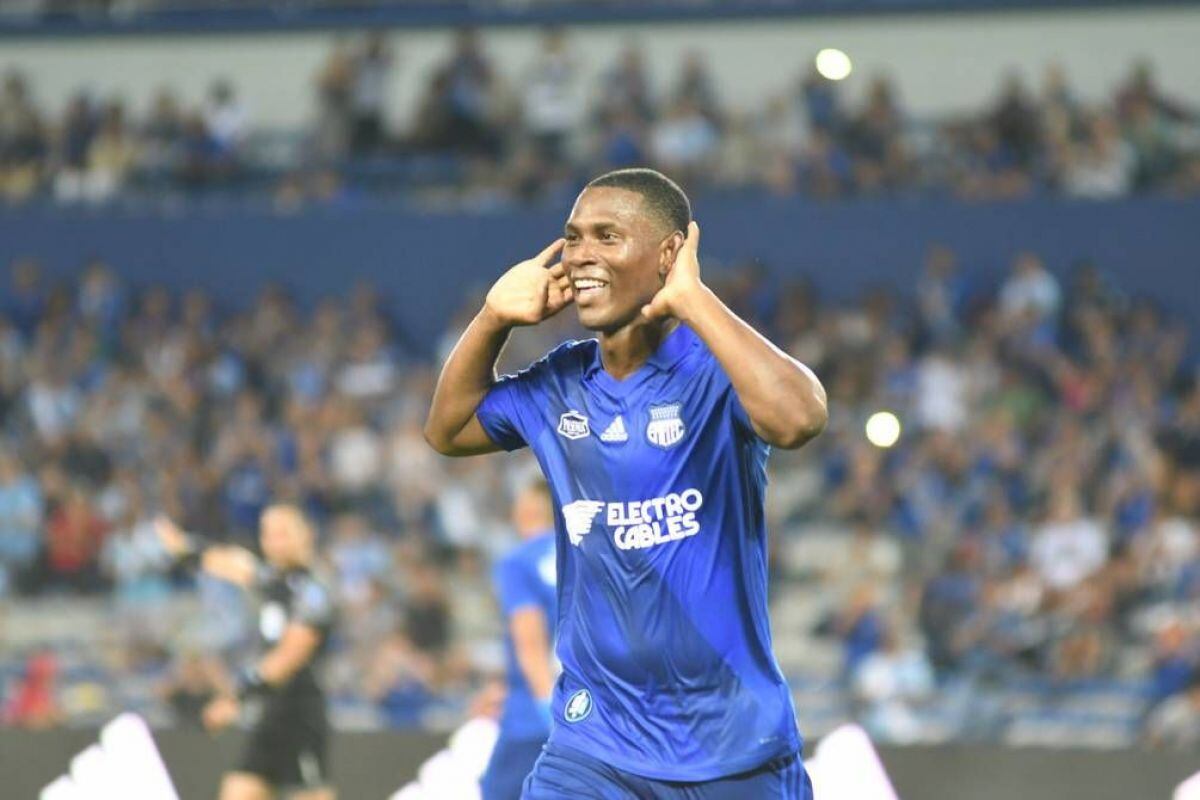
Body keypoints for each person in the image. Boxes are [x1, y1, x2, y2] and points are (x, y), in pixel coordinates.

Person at [425, 167, 826, 797]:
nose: (580, 254)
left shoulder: (716, 371)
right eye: (573, 237)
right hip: (595, 745)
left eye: (606, 236)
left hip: (732, 748)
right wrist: (492, 320)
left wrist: (694, 299)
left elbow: (800, 418)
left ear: (668, 254)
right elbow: (448, 431)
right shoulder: (560, 383)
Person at [157, 504, 336, 800]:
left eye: (283, 533)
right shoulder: (274, 579)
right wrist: (188, 549)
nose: (274, 542)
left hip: (300, 713)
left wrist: (236, 698)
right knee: (238, 790)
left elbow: (290, 656)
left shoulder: (313, 590)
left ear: (306, 535)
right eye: (268, 534)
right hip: (270, 713)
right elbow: (236, 564)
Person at [480, 479, 558, 800]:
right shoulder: (587, 552)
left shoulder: (518, 562)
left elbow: (530, 645)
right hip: (594, 711)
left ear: (526, 511)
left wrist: (550, 713)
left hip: (534, 716)